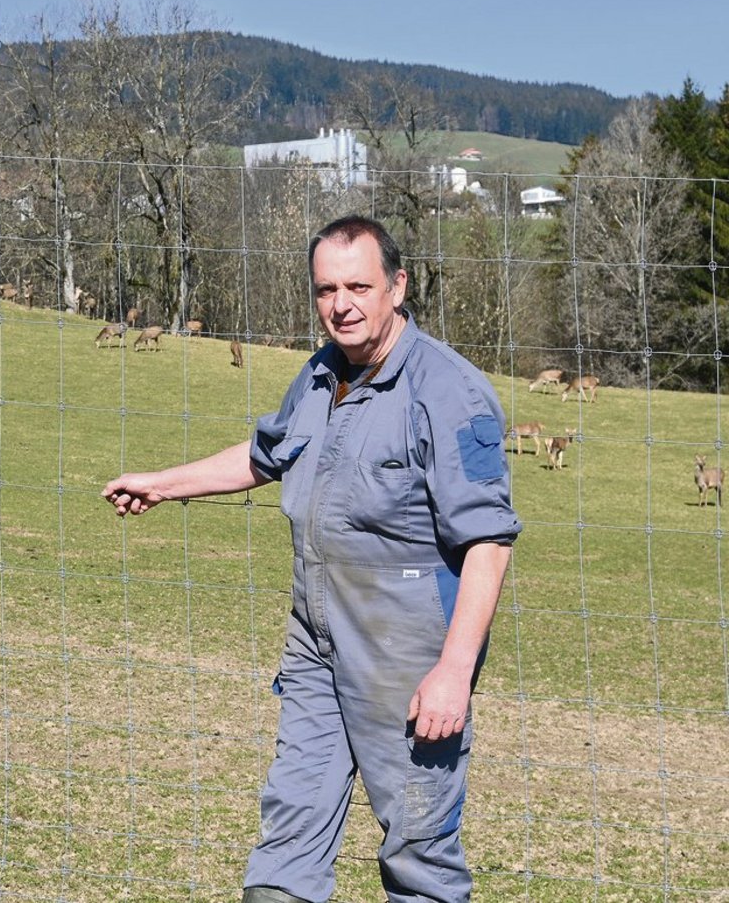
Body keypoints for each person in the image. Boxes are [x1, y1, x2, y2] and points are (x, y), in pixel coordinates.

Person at [103, 215, 520, 902]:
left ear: (398, 286)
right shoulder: (323, 373)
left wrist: (452, 670)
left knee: (418, 855)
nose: (342, 304)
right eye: (326, 289)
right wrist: (161, 484)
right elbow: (266, 456)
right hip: (316, 644)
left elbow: (488, 541)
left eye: (359, 285)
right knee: (287, 840)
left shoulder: (448, 392)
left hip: (407, 655)